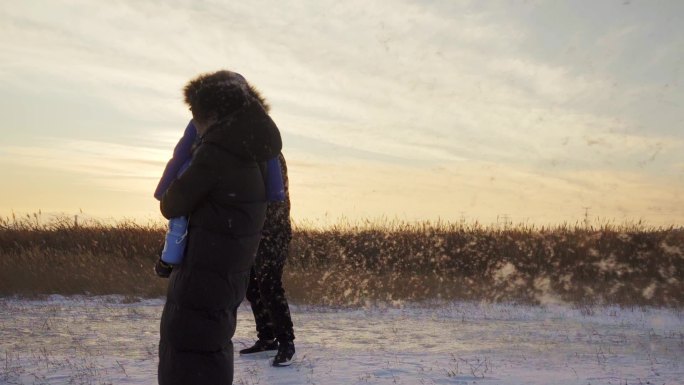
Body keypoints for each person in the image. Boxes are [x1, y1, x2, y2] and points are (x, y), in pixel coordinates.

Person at [156, 70, 282, 385]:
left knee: (190, 349)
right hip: (225, 272)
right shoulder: (251, 154)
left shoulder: (216, 154)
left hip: (203, 271)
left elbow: (172, 203)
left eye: (195, 115)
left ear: (212, 115)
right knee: (210, 348)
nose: (193, 122)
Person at [240, 150, 296, 367]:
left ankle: (286, 344)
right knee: (252, 286)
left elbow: (270, 194)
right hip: (254, 231)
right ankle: (267, 338)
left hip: (275, 231)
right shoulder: (250, 153)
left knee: (269, 285)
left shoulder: (269, 154)